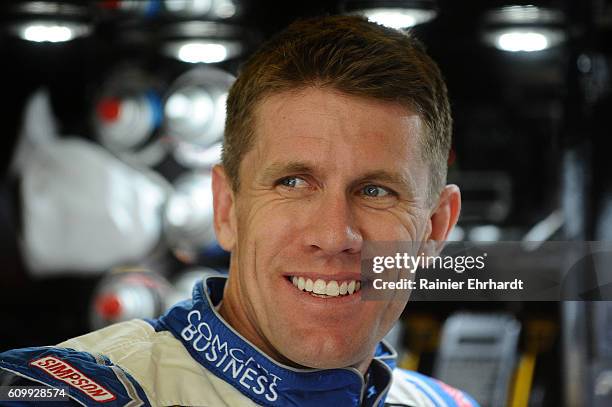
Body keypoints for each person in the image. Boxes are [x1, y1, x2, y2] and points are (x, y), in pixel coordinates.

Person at [0, 15, 477, 407]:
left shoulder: (449, 404)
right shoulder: (66, 391)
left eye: (376, 192)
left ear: (436, 228)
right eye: (293, 182)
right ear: (226, 208)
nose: (334, 235)